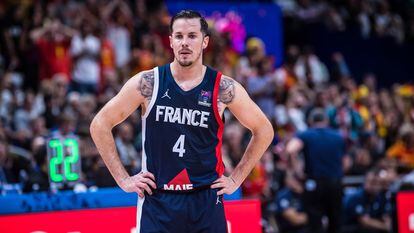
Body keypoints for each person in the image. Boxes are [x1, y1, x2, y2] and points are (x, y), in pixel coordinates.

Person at [90, 10, 273, 233]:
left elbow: (264, 130)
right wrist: (123, 179)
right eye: (179, 36)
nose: (184, 42)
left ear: (205, 41)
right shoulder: (149, 82)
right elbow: (99, 124)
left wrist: (236, 180)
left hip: (206, 199)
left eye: (192, 36)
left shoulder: (222, 88)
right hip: (158, 201)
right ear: (170, 41)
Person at [286, 108, 349, 233]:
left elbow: (290, 149)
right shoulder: (338, 136)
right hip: (335, 183)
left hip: (314, 184)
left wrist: (297, 170)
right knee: (335, 222)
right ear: (326, 120)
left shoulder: (306, 134)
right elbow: (346, 163)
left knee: (315, 223)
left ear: (310, 121)